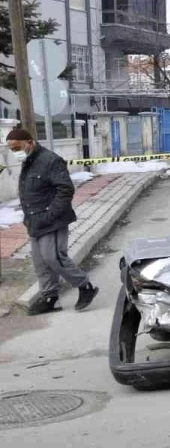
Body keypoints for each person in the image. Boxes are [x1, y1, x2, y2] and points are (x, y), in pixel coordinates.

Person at [7, 127, 98, 315]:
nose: (15, 153)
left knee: (54, 257)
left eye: (17, 148)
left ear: (30, 143)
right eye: (12, 150)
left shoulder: (50, 160)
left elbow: (65, 190)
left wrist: (50, 215)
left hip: (52, 220)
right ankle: (50, 298)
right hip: (34, 220)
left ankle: (85, 287)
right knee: (40, 262)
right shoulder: (29, 162)